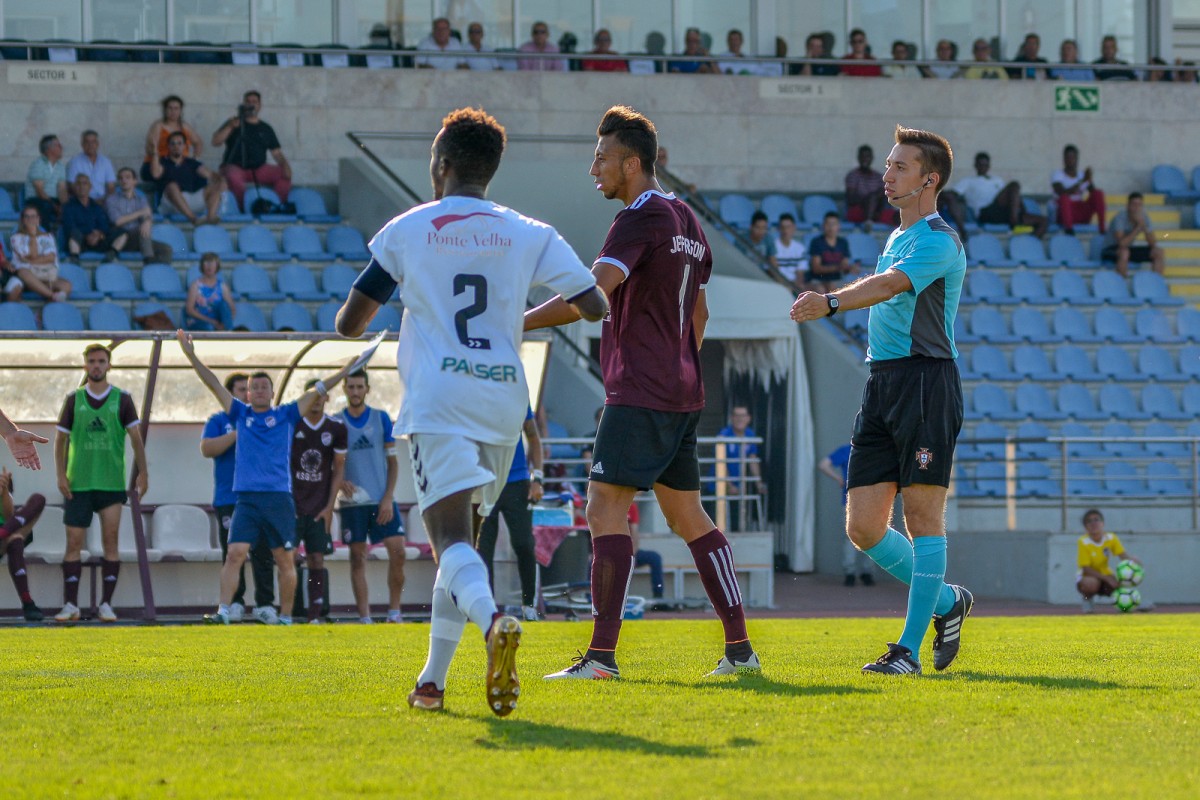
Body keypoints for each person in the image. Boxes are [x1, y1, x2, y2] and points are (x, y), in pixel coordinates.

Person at [335, 107, 608, 713]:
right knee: (462, 548)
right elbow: (593, 304)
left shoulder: (409, 227)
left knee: (451, 542)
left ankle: (493, 628)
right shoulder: (530, 231)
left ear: (442, 165)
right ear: (491, 170)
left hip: (440, 399)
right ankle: (432, 683)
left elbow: (349, 324)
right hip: (505, 401)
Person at [525, 104, 761, 680]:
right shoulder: (688, 219)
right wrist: (675, 357)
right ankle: (740, 650)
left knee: (604, 505)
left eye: (601, 158)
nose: (593, 169)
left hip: (640, 389)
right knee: (688, 515)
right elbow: (700, 314)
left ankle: (601, 657)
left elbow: (592, 298)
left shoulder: (637, 218)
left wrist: (514, 322)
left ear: (632, 163)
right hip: (683, 389)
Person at [790, 125, 973, 676]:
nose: (887, 174)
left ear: (929, 179)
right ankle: (947, 602)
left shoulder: (940, 239)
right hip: (882, 384)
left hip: (925, 385)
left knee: (922, 518)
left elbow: (891, 286)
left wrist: (829, 301)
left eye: (899, 167)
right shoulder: (898, 236)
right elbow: (887, 280)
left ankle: (907, 652)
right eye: (888, 165)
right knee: (864, 527)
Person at [177, 330, 356, 626]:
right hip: (246, 498)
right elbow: (211, 383)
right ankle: (223, 611)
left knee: (284, 559)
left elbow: (320, 389)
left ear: (272, 393)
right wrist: (191, 355)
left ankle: (284, 616)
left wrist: (345, 370)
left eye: (264, 387)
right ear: (247, 393)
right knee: (234, 554)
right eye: (254, 387)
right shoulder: (239, 414)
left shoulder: (287, 414)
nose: (259, 391)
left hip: (278, 499)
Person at [53, 343, 149, 623]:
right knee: (73, 544)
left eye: (101, 361)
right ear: (85, 366)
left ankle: (106, 604)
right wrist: (60, 474)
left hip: (110, 483)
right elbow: (60, 439)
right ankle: (71, 604)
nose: (96, 365)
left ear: (109, 365)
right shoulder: (74, 399)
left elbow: (135, 438)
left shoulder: (123, 399)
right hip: (78, 483)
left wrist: (143, 472)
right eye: (92, 361)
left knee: (111, 541)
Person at [200, 372, 277, 624]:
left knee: (263, 551)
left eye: (251, 389)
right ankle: (234, 603)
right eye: (242, 389)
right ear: (229, 393)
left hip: (261, 498)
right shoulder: (219, 420)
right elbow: (207, 448)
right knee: (233, 554)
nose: (248, 394)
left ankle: (265, 605)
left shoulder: (266, 419)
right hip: (228, 498)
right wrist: (237, 433)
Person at [335, 369, 406, 624]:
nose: (355, 392)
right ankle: (365, 617)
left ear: (367, 389)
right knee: (357, 556)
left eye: (359, 387)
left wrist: (388, 497)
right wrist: (339, 480)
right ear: (344, 389)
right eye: (351, 387)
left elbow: (393, 463)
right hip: (353, 503)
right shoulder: (336, 422)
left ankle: (394, 612)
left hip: (381, 500)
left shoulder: (381, 419)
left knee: (398, 551)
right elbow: (330, 463)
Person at [476, 406, 543, 622]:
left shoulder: (518, 397)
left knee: (524, 544)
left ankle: (529, 605)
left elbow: (533, 437)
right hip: (484, 482)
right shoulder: (476, 397)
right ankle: (488, 609)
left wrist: (538, 479)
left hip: (517, 483)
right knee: (483, 549)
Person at [290, 379, 347, 624]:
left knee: (316, 558)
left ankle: (314, 613)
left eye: (320, 396)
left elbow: (338, 470)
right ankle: (289, 611)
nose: (316, 400)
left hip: (319, 507)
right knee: (288, 557)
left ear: (327, 399)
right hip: (292, 505)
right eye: (311, 396)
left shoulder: (336, 428)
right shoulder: (293, 424)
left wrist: (329, 507)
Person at [212, 90, 293, 208]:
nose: (251, 104)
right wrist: (230, 126)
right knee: (234, 178)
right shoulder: (233, 122)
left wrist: (285, 165)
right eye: (248, 102)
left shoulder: (266, 128)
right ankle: (242, 210)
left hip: (259, 168)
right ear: (244, 104)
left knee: (284, 174)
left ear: (259, 105)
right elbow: (215, 141)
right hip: (235, 166)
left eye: (254, 102)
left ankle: (277, 206)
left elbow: (276, 153)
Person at [818, 443, 874, 587]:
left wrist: (839, 479)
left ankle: (850, 573)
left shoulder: (846, 451)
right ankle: (866, 572)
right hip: (872, 501)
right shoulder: (874, 450)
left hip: (851, 500)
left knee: (851, 538)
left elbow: (824, 464)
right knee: (872, 537)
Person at [953, 152, 1047, 237]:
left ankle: (1029, 245)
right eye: (980, 165)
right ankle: (1014, 224)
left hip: (1004, 213)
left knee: (1043, 221)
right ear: (975, 165)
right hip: (985, 212)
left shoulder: (997, 180)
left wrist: (1023, 211)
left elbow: (1013, 196)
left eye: (985, 165)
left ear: (989, 166)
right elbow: (954, 194)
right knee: (1014, 184)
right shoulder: (968, 181)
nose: (983, 167)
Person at [0, 467, 47, 620]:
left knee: (38, 499)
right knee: (15, 540)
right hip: (9, 539)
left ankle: (4, 533)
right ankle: (28, 603)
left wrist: (5, 490)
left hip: (7, 530)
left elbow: (8, 515)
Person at [1077, 509, 1143, 613]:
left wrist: (1133, 561)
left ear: (1102, 523)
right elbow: (1086, 568)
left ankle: (1132, 603)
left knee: (1124, 580)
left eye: (1096, 520)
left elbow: (1122, 556)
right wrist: (1106, 578)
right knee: (1090, 584)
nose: (1093, 523)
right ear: (1086, 527)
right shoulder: (1083, 541)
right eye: (1089, 521)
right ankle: (1087, 601)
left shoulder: (1111, 538)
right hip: (1088, 576)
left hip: (1106, 574)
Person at [152, 131, 224, 225]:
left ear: (185, 146)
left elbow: (209, 174)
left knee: (214, 189)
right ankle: (194, 219)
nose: (176, 146)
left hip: (191, 199)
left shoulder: (192, 163)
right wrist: (154, 153)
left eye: (179, 143)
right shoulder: (163, 162)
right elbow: (155, 174)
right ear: (168, 147)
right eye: (172, 144)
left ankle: (211, 217)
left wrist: (221, 181)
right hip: (171, 203)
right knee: (172, 186)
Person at [105, 167, 174, 264]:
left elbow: (147, 214)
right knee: (141, 229)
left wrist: (147, 221)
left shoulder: (141, 199)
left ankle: (155, 273)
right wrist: (140, 213)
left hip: (139, 240)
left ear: (135, 181)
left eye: (128, 177)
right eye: (121, 178)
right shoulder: (112, 200)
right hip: (120, 239)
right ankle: (148, 259)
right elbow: (117, 221)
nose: (124, 180)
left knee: (166, 249)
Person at [713, 406, 764, 530]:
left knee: (737, 522)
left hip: (738, 486)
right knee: (715, 524)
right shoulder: (724, 435)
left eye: (742, 416)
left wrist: (758, 483)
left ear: (748, 418)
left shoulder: (749, 434)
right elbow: (721, 462)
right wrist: (729, 485)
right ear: (731, 418)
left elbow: (752, 460)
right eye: (736, 415)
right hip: (718, 486)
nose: (739, 419)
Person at [10, 203, 71, 302]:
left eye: (33, 216)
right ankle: (52, 295)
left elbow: (50, 257)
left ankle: (43, 313)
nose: (30, 220)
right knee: (23, 272)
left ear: (38, 219)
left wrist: (30, 261)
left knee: (66, 285)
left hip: (43, 275)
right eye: (27, 217)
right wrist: (33, 236)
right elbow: (29, 257)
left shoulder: (48, 237)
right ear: (22, 220)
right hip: (25, 278)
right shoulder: (16, 237)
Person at [62, 174, 126, 260]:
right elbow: (69, 227)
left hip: (97, 241)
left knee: (122, 232)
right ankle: (74, 259)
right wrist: (88, 235)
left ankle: (111, 254)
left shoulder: (96, 206)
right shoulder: (68, 206)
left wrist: (99, 234)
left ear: (90, 187)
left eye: (85, 183)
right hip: (81, 242)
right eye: (79, 184)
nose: (82, 187)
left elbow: (104, 225)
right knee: (74, 233)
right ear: (74, 187)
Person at [143, 95, 205, 182]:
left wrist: (195, 159)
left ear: (180, 110)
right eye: (170, 108)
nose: (173, 111)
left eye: (176, 108)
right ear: (165, 110)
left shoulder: (185, 126)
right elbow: (149, 147)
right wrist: (157, 156)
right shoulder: (158, 125)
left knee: (202, 177)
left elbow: (198, 142)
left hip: (180, 164)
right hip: (159, 165)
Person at [1103, 192, 1164, 278]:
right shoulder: (1120, 218)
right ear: (1128, 206)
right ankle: (1121, 285)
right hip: (1110, 249)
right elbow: (1121, 243)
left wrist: (1144, 228)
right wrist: (1138, 228)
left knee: (1158, 252)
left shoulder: (1144, 218)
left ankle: (1156, 284)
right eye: (1134, 204)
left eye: (1139, 205)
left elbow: (1153, 243)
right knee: (1124, 252)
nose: (1136, 208)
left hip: (1127, 249)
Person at [1051, 144, 1106, 234]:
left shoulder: (1082, 175)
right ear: (1063, 159)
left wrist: (1089, 179)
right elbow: (1062, 192)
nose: (1070, 160)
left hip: (1080, 211)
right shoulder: (1057, 174)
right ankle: (1069, 230)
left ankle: (1102, 229)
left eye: (1072, 157)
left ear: (1077, 159)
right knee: (1064, 198)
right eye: (1067, 157)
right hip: (1064, 213)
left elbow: (1094, 194)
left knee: (1098, 193)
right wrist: (1082, 181)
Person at [845, 144, 895, 230]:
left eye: (867, 156)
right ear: (858, 158)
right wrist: (867, 199)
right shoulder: (853, 176)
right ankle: (868, 222)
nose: (865, 159)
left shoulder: (878, 177)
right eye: (862, 156)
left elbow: (885, 195)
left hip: (878, 210)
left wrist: (874, 201)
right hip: (859, 210)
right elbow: (851, 198)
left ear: (871, 158)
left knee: (898, 216)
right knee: (871, 198)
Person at [25, 134, 68, 230]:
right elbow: (39, 192)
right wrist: (55, 207)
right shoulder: (38, 164)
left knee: (71, 208)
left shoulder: (60, 166)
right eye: (58, 145)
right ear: (49, 149)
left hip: (52, 201)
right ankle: (45, 237)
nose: (62, 148)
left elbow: (62, 190)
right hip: (36, 200)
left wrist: (64, 206)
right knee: (46, 206)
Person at [184, 252, 236, 331]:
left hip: (219, 322)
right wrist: (211, 321)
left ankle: (227, 331)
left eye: (212, 263)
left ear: (217, 266)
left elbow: (232, 309)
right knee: (209, 327)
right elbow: (189, 310)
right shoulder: (195, 285)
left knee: (224, 305)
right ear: (202, 266)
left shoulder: (222, 286)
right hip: (200, 322)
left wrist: (223, 323)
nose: (209, 266)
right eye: (207, 263)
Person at [807, 212, 853, 292]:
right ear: (823, 226)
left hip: (837, 280)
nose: (831, 227)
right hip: (818, 280)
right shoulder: (817, 242)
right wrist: (838, 267)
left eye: (834, 224)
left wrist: (850, 268)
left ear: (838, 226)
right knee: (822, 289)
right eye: (828, 224)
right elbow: (816, 268)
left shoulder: (843, 243)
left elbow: (844, 266)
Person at [66, 131, 116, 200]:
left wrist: (105, 201)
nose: (90, 145)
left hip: (103, 201)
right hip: (82, 201)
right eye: (87, 142)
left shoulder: (106, 162)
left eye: (93, 142)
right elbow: (72, 186)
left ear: (98, 144)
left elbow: (111, 187)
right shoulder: (74, 162)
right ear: (82, 144)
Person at [774, 213, 807, 288]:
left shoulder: (800, 248)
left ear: (793, 228)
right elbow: (773, 272)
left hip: (794, 285)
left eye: (788, 227)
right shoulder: (773, 247)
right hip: (778, 284)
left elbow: (800, 274)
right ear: (778, 229)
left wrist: (794, 286)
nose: (785, 230)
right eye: (782, 227)